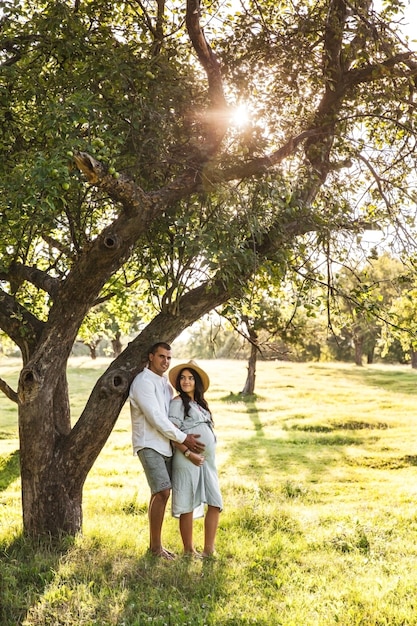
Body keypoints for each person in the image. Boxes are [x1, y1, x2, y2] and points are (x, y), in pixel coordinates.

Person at [129, 342, 205, 559]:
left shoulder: (165, 384)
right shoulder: (143, 382)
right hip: (149, 443)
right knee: (163, 491)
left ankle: (159, 546)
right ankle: (155, 548)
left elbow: (171, 416)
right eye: (161, 356)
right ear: (151, 356)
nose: (166, 361)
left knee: (160, 493)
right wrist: (184, 439)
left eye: (169, 358)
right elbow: (156, 418)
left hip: (166, 444)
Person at [168, 360, 223, 557]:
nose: (186, 381)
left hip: (207, 462)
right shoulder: (177, 403)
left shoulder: (200, 404)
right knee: (187, 504)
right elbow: (172, 432)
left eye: (190, 378)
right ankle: (189, 551)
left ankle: (209, 550)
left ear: (196, 381)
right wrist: (188, 453)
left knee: (215, 502)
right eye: (182, 378)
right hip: (187, 459)